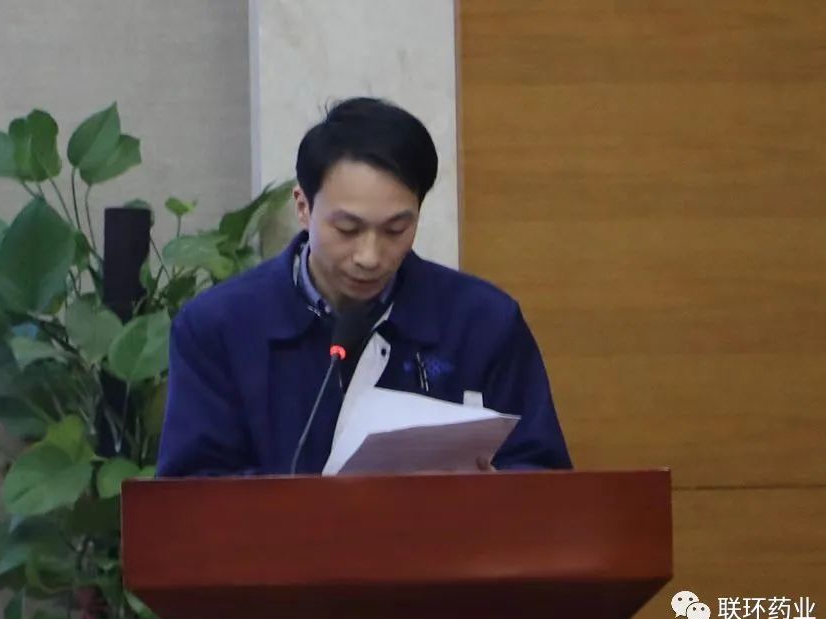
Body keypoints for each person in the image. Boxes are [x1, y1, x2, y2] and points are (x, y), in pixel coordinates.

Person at [156, 97, 572, 476]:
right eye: (348, 229)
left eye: (396, 229)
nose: (370, 257)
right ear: (303, 207)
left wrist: (487, 491)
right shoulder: (218, 327)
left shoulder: (483, 321)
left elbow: (541, 473)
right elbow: (191, 492)